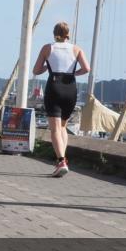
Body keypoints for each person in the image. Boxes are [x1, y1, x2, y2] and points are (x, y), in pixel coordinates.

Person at [31, 22, 89, 177]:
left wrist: (47, 67)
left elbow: (36, 70)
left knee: (55, 128)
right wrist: (73, 74)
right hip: (70, 87)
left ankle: (61, 161)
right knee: (63, 126)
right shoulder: (76, 49)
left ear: (54, 33)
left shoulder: (47, 48)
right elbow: (86, 68)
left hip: (55, 85)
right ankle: (63, 160)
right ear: (67, 34)